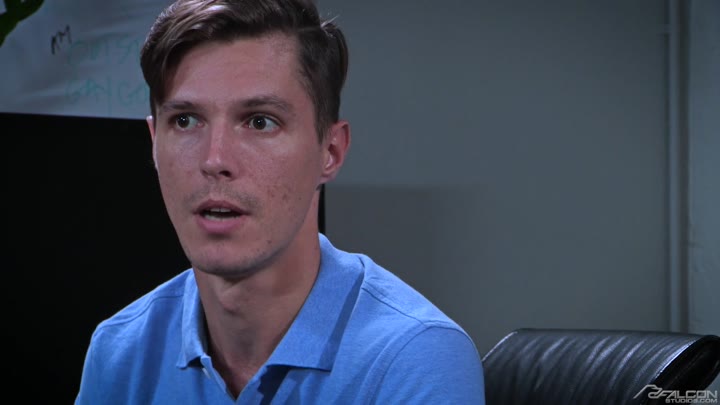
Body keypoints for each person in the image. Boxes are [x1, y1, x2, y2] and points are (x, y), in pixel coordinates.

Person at [75, 0, 486, 403]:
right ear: (153, 143)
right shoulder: (120, 352)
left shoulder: (413, 359)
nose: (214, 160)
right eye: (185, 121)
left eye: (260, 122)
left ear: (330, 152)